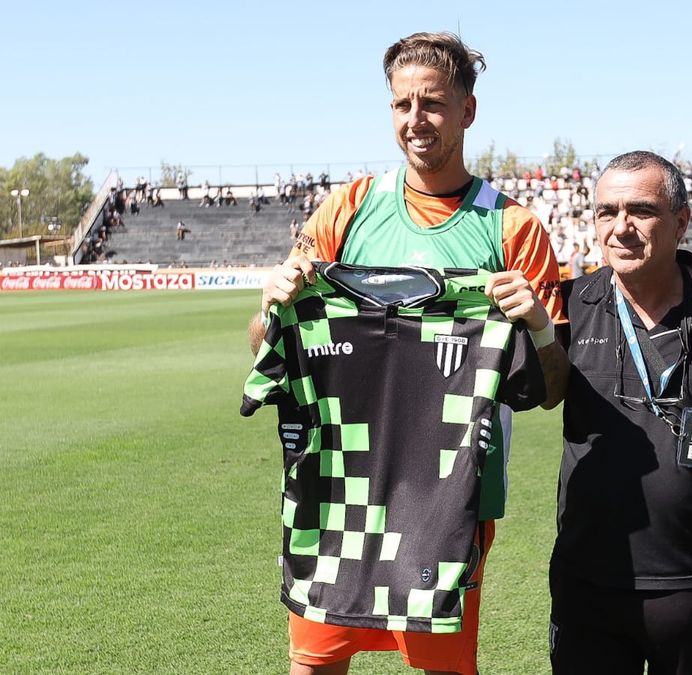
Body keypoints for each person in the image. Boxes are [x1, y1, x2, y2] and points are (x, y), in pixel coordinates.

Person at [247, 31, 569, 675]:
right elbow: (268, 345)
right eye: (402, 105)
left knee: (444, 668)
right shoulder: (349, 208)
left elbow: (551, 389)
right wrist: (270, 307)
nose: (415, 120)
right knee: (313, 664)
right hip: (338, 492)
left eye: (433, 104)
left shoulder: (513, 228)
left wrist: (535, 323)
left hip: (449, 498)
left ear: (467, 111)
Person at [545, 151, 692, 674]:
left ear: (682, 221)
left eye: (640, 210)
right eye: (606, 212)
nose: (621, 227)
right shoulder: (569, 306)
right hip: (588, 578)